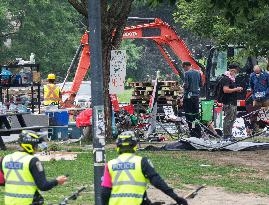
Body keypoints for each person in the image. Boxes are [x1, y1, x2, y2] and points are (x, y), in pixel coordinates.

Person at [101, 131, 188, 205]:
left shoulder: (110, 165)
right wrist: (176, 197)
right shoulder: (142, 162)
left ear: (118, 147)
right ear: (134, 146)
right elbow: (157, 181)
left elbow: (105, 193)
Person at [0, 130, 67, 205]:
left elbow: (2, 182)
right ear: (30, 145)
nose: (37, 148)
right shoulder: (33, 161)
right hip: (27, 202)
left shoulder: (5, 159)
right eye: (36, 145)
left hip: (9, 202)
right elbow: (43, 186)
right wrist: (57, 181)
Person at [218, 64, 243, 140]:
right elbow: (225, 90)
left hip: (233, 101)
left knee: (233, 118)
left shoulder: (232, 79)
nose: (236, 73)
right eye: (235, 71)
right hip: (228, 102)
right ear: (232, 70)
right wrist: (236, 89)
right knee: (228, 118)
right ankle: (226, 135)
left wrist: (237, 89)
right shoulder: (226, 79)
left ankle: (230, 134)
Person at [182, 61, 202, 138]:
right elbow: (201, 84)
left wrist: (183, 86)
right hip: (196, 96)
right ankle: (197, 132)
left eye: (184, 68)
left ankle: (192, 131)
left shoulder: (187, 73)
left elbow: (186, 86)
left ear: (185, 66)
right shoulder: (198, 73)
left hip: (188, 97)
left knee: (189, 114)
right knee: (195, 115)